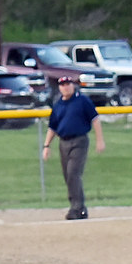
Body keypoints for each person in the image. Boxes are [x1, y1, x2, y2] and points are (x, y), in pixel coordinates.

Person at [42, 76, 105, 220]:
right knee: (67, 176)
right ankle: (79, 207)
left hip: (79, 140)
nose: (65, 87)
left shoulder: (82, 101)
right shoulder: (58, 105)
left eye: (68, 84)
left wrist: (100, 140)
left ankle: (76, 208)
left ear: (73, 85)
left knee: (73, 173)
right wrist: (46, 145)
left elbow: (95, 119)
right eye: (62, 84)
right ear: (59, 87)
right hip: (63, 142)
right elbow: (53, 127)